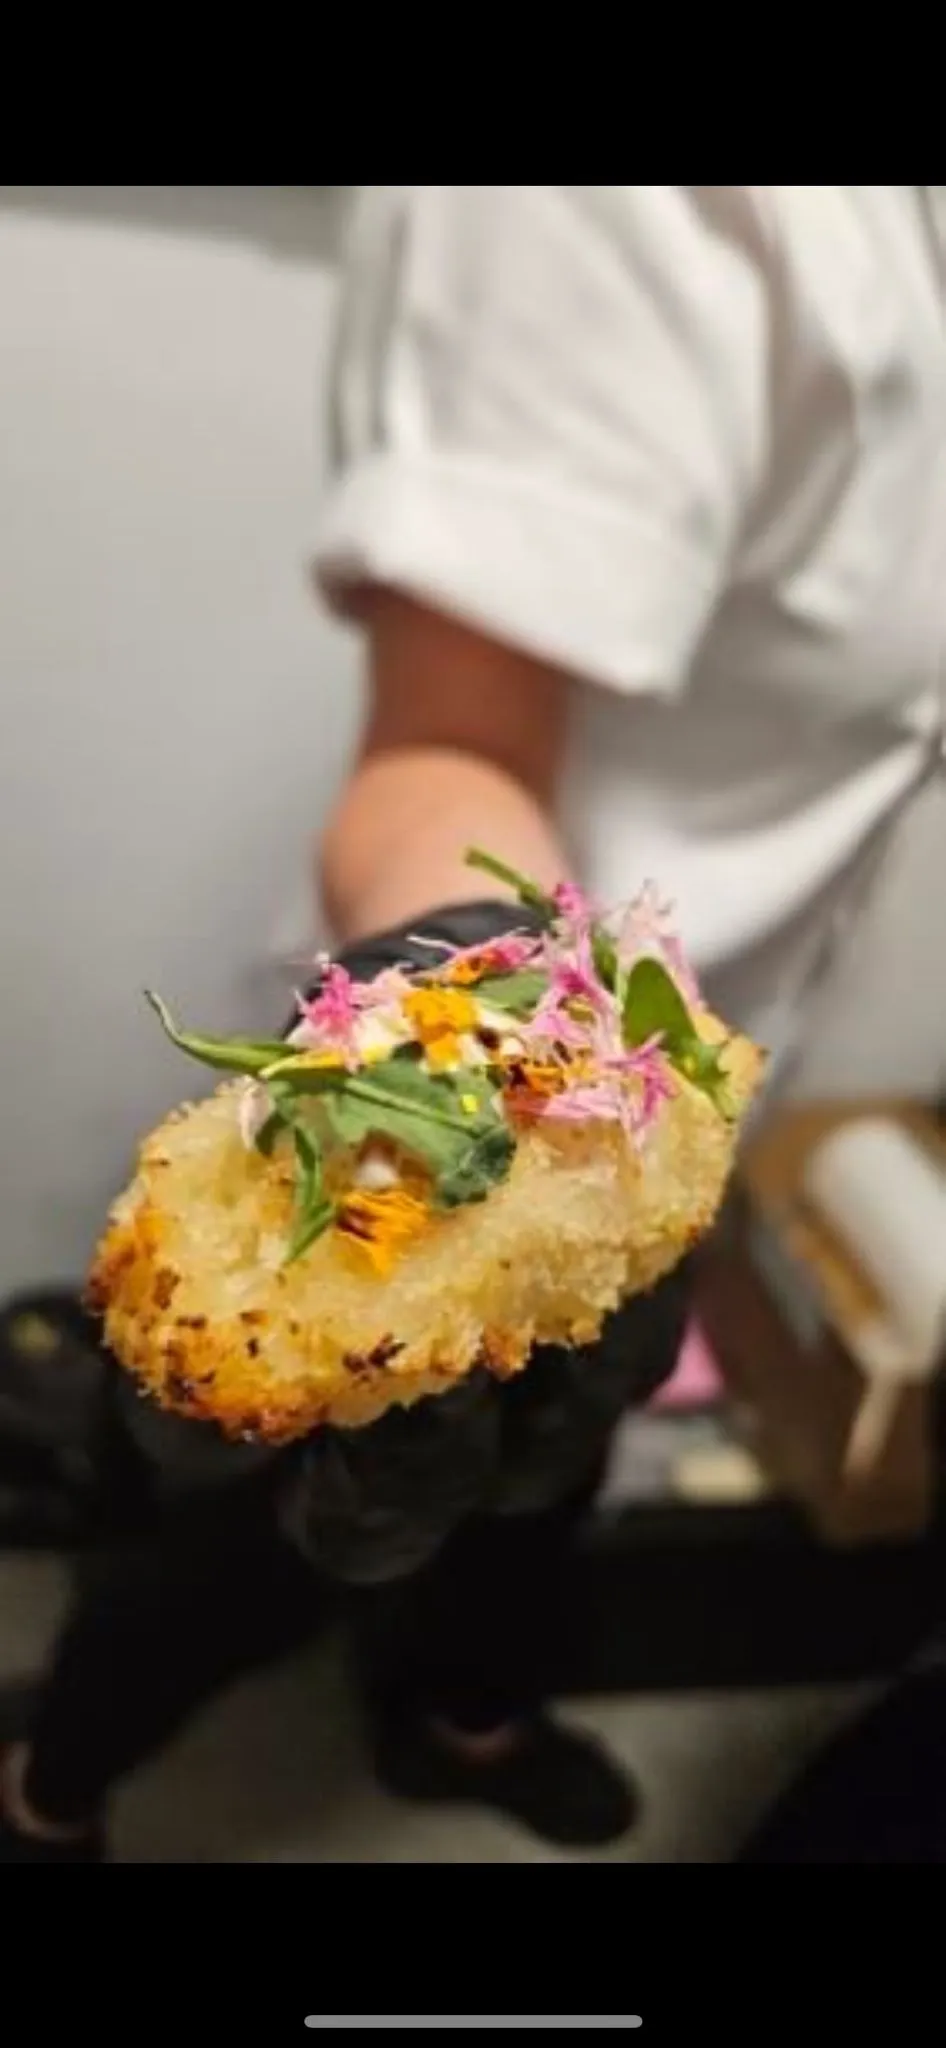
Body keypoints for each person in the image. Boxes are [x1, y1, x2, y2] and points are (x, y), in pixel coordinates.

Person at [2, 186, 945, 1864]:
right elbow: (443, 757)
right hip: (446, 1100)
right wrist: (493, 1018)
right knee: (256, 1552)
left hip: (673, 1104)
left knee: (534, 1506)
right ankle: (45, 1787)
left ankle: (463, 1721)